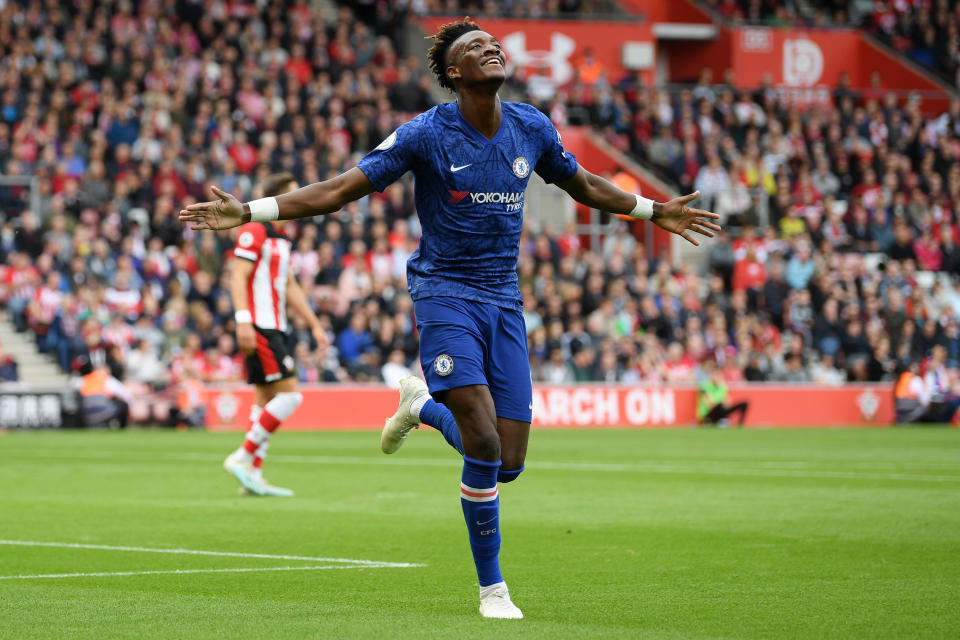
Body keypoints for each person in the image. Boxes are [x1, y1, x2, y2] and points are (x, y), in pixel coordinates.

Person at [180, 18, 720, 619]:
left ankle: (421, 408)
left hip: (504, 302)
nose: (490, 47)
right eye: (474, 48)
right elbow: (339, 190)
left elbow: (586, 185)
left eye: (493, 42)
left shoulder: (530, 127)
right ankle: (493, 589)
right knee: (484, 439)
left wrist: (653, 210)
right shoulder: (424, 134)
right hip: (444, 296)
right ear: (455, 74)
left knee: (507, 462)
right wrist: (252, 211)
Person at [221, 172, 327, 497]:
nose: (300, 201)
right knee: (291, 394)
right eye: (294, 195)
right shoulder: (255, 230)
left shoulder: (281, 238)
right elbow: (238, 276)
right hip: (260, 325)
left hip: (276, 324)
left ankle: (252, 476)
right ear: (278, 199)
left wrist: (314, 324)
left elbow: (290, 285)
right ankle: (242, 457)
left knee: (264, 399)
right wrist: (242, 321)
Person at [697, 359, 748, 427]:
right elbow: (709, 404)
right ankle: (712, 420)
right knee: (719, 406)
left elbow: (728, 402)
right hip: (708, 413)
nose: (718, 377)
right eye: (716, 375)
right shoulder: (704, 386)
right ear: (711, 376)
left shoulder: (722, 386)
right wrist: (721, 403)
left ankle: (739, 423)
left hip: (720, 410)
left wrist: (724, 404)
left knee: (744, 404)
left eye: (719, 375)